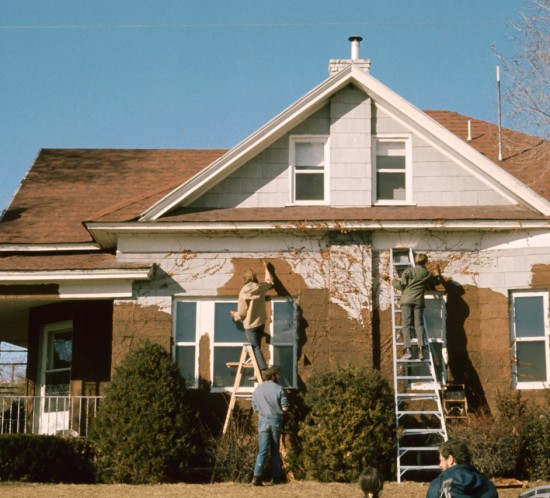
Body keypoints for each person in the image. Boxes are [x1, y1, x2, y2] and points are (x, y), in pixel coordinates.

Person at [393, 253, 442, 360]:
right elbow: (437, 282)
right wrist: (439, 274)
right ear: (426, 262)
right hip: (418, 301)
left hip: (406, 300)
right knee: (418, 324)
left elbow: (401, 286)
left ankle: (408, 350)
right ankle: (421, 350)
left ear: (415, 261)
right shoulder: (427, 274)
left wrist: (392, 281)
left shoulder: (408, 271)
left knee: (406, 324)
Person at [230, 261, 274, 373]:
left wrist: (234, 315)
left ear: (244, 279)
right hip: (260, 323)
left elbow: (243, 313)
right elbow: (270, 282)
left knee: (255, 348)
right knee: (257, 347)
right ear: (254, 278)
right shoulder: (260, 287)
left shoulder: (243, 292)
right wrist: (266, 268)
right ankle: (258, 373)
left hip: (250, 325)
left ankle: (263, 371)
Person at [251, 366, 289, 486]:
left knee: (262, 450)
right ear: (273, 376)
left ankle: (256, 477)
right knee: (274, 450)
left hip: (263, 421)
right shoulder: (279, 389)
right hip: (276, 421)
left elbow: (255, 408)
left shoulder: (257, 390)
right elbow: (285, 407)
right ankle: (276, 477)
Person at [426, 439, 498, 498]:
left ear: (450, 459)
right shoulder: (487, 485)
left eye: (441, 460)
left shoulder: (437, 486)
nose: (440, 465)